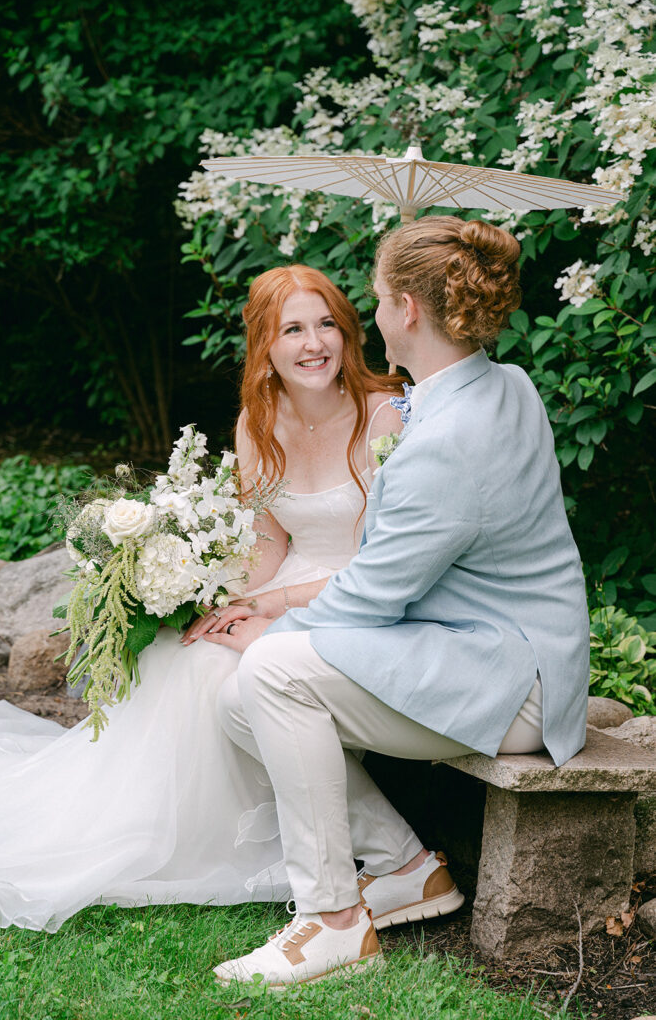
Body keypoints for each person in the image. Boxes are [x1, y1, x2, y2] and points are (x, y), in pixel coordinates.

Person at [206, 217, 591, 988]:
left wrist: (272, 623)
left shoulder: (445, 441)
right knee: (237, 701)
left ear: (407, 312)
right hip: (500, 647)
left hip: (511, 681)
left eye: (379, 297)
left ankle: (333, 923)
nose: (371, 314)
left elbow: (372, 597)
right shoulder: (500, 383)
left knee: (272, 672)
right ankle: (402, 867)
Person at [0, 265, 404, 932]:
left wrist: (272, 607)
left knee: (240, 671)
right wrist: (199, 593)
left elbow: (390, 561)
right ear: (266, 344)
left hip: (364, 598)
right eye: (293, 329)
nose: (313, 343)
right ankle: (149, 828)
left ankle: (345, 850)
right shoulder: (259, 423)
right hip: (287, 585)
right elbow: (265, 542)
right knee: (194, 653)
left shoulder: (387, 414)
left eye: (326, 325)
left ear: (349, 334)